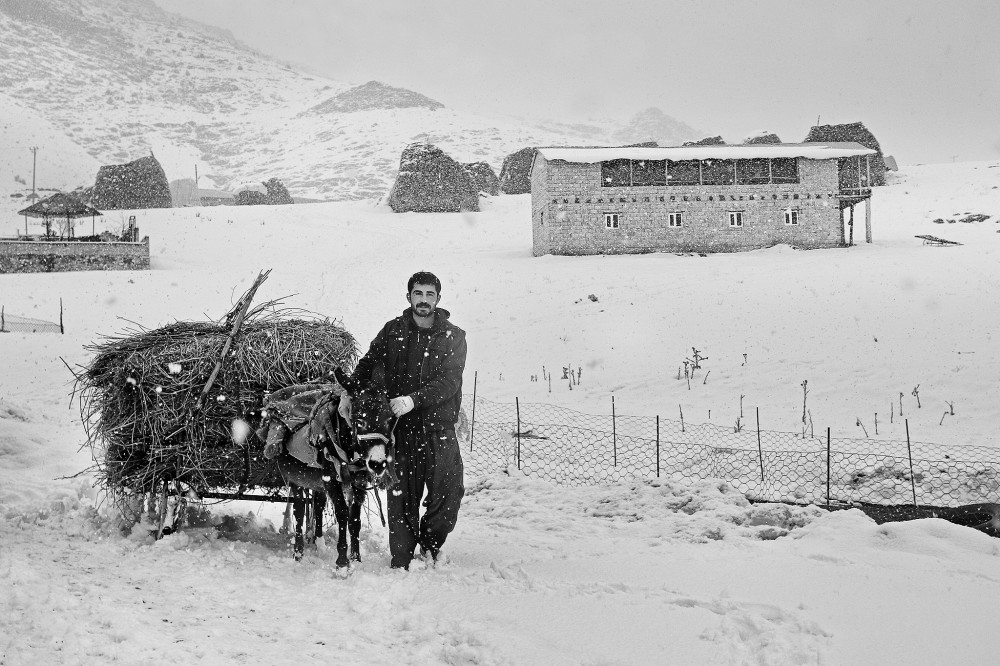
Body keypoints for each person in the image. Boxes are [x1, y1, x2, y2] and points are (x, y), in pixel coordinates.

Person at [339, 271, 467, 569]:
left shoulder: (454, 337)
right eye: (418, 293)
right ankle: (402, 558)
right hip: (400, 430)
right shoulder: (392, 331)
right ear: (409, 296)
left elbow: (450, 381)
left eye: (429, 294)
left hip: (438, 429)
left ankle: (431, 545)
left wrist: (413, 400)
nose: (423, 300)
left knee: (448, 494)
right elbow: (368, 364)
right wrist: (350, 392)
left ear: (438, 298)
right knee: (401, 499)